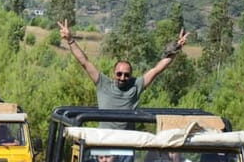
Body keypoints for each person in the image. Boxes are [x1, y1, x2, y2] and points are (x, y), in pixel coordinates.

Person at [57, 19, 189, 129]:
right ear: (114, 73)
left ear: (131, 75)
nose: (122, 77)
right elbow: (84, 62)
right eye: (119, 74)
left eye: (126, 75)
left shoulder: (136, 85)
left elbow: (157, 69)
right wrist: (70, 40)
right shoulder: (103, 84)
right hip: (104, 142)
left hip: (125, 143)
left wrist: (177, 47)